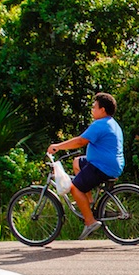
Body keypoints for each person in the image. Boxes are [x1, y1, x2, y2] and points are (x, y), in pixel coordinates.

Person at [46, 92, 125, 239]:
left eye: (94, 107)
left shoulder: (100, 124)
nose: (92, 110)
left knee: (75, 187)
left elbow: (80, 141)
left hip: (102, 166)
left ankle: (90, 221)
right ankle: (88, 201)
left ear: (102, 110)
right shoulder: (112, 123)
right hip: (109, 164)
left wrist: (58, 146)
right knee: (77, 162)